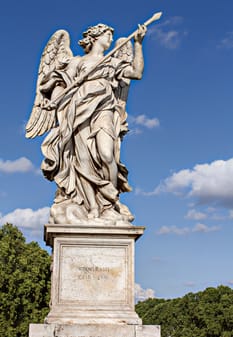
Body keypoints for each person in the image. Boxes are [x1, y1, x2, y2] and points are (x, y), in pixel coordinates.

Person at [26, 23, 147, 224]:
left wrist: (138, 44)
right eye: (107, 35)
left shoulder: (112, 62)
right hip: (79, 109)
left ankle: (109, 203)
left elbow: (136, 73)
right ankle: (92, 207)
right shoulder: (77, 62)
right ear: (94, 37)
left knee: (107, 155)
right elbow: (56, 85)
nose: (110, 39)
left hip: (103, 109)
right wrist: (51, 99)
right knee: (82, 159)